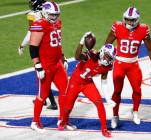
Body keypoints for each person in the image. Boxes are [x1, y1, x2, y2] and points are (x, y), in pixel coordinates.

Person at [104, 7, 151, 128]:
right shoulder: (117, 26)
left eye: (132, 20)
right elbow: (107, 45)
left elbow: (150, 48)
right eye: (127, 19)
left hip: (133, 64)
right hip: (120, 63)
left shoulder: (143, 29)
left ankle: (135, 111)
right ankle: (115, 115)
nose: (129, 22)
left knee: (137, 90)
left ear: (137, 20)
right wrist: (105, 61)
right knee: (117, 91)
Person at [58, 32, 116, 137]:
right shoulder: (92, 55)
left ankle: (104, 129)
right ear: (102, 52)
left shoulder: (108, 66)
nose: (108, 59)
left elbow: (104, 81)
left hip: (87, 83)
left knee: (99, 103)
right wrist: (81, 43)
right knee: (68, 107)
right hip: (75, 82)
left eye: (110, 58)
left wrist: (107, 98)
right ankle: (64, 121)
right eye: (107, 56)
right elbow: (77, 57)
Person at [29, 1, 73, 132]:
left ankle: (63, 120)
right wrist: (37, 65)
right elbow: (33, 47)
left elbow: (57, 43)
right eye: (51, 15)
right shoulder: (39, 24)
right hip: (46, 65)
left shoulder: (58, 23)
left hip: (57, 64)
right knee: (42, 94)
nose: (54, 17)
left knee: (66, 91)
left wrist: (63, 56)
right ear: (44, 13)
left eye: (56, 15)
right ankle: (35, 122)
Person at [18, 0, 59, 110]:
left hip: (40, 49)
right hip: (52, 47)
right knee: (45, 75)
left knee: (42, 75)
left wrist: (22, 45)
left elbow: (30, 33)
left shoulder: (33, 15)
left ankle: (49, 101)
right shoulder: (52, 14)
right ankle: (46, 99)